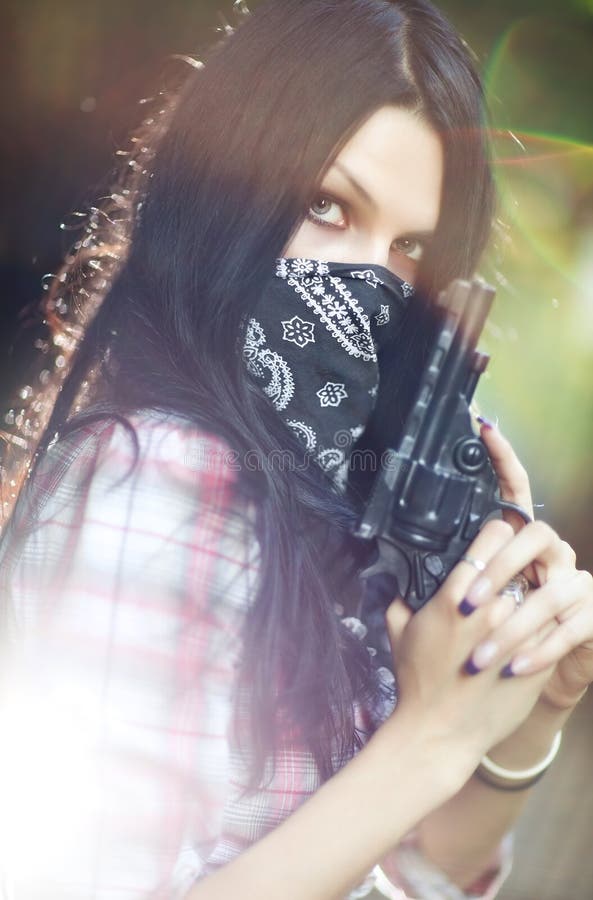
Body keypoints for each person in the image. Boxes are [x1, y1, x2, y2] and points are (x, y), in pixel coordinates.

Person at [0, 1, 592, 898]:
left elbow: (389, 877)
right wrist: (429, 738)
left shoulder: (304, 495)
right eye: (326, 206)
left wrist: (518, 719)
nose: (364, 281)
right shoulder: (165, 469)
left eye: (408, 249)